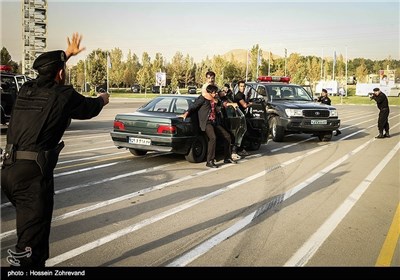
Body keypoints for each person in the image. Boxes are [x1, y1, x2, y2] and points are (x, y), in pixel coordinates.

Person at [1, 33, 110, 267]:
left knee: (29, 234)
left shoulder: (26, 90)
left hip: (9, 171)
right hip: (32, 177)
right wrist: (103, 98)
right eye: (63, 70)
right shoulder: (64, 96)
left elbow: (46, 78)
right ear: (61, 73)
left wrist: (66, 55)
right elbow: (90, 108)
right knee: (30, 250)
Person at [181, 84, 236, 168]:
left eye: (216, 93)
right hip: (206, 122)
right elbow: (193, 106)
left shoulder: (216, 100)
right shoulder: (203, 99)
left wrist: (230, 104)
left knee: (227, 136)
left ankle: (227, 157)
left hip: (214, 122)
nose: (215, 94)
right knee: (213, 138)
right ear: (209, 93)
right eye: (214, 93)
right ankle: (210, 160)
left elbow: (222, 104)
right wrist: (186, 113)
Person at [233, 80, 252, 156]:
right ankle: (238, 150)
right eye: (241, 86)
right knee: (241, 132)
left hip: (241, 115)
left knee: (243, 132)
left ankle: (241, 148)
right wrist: (250, 104)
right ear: (238, 87)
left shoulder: (242, 95)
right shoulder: (239, 95)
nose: (243, 88)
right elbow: (244, 105)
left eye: (244, 86)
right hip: (239, 116)